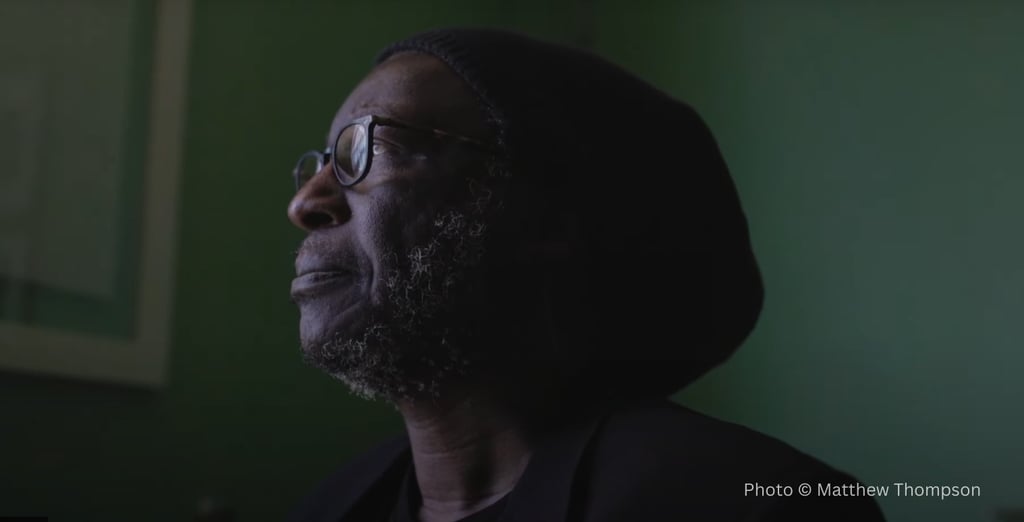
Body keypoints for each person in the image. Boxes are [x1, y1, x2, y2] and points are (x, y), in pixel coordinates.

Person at [285, 28, 886, 522]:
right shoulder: (331, 505)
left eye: (366, 148)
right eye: (320, 163)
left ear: (545, 215)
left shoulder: (753, 503)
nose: (306, 203)